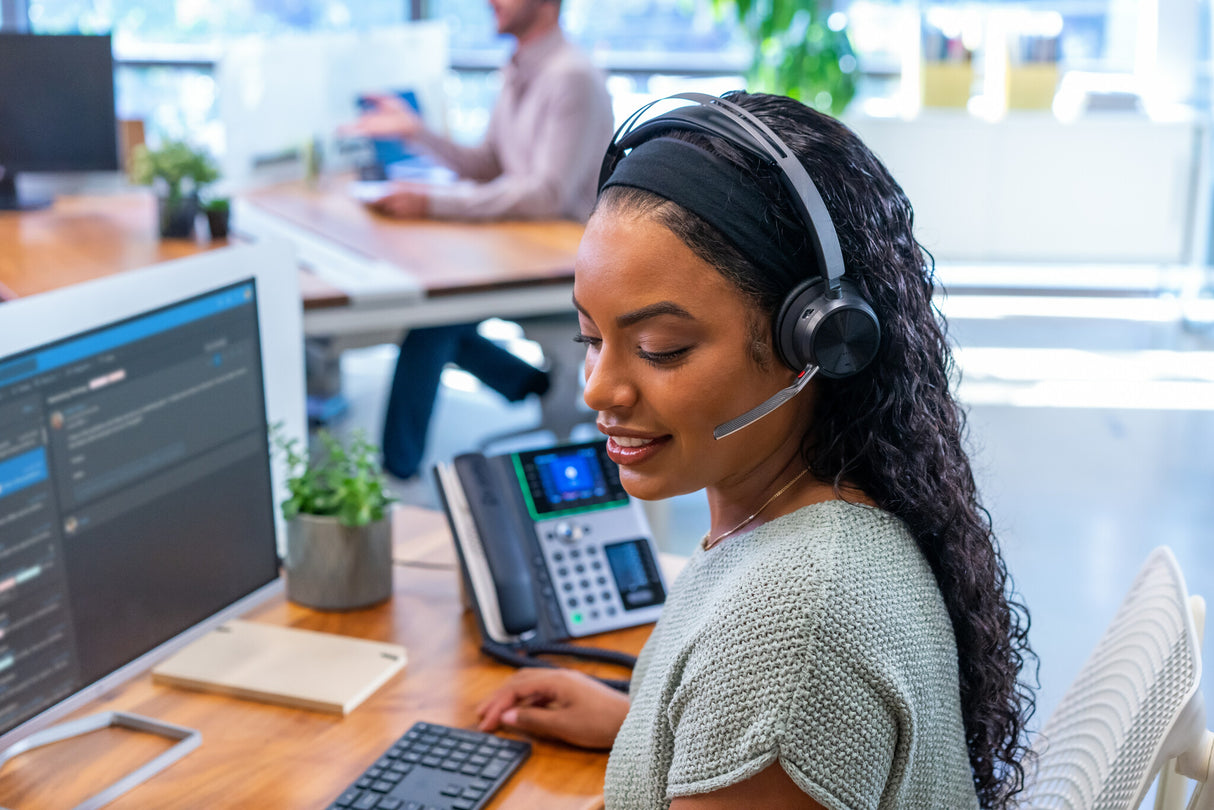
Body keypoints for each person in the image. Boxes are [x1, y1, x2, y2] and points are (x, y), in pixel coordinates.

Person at [475, 92, 1036, 809]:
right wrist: (646, 727)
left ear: (815, 344)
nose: (599, 390)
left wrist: (746, 729)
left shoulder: (792, 633)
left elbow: (782, 686)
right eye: (591, 338)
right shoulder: (802, 524)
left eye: (659, 349)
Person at [344, 0, 614, 479]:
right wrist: (417, 133)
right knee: (442, 312)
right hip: (518, 248)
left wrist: (433, 203)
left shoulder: (571, 77)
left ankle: (395, 474)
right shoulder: (516, 70)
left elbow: (545, 193)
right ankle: (530, 383)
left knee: (432, 319)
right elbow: (489, 165)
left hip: (563, 263)